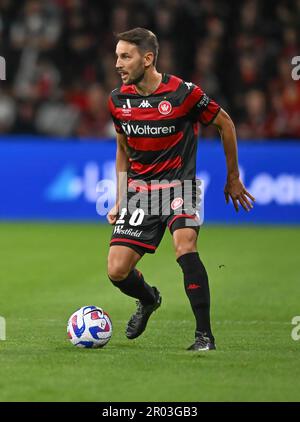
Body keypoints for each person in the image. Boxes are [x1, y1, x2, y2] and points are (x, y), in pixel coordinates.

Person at [107, 27, 255, 351]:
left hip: (179, 185)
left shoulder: (183, 93)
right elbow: (122, 150)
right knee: (116, 270)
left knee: (184, 245)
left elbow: (225, 123)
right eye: (117, 56)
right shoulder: (118, 100)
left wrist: (233, 177)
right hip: (140, 192)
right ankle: (148, 300)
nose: (118, 63)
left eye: (125, 56)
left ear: (148, 59)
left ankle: (204, 336)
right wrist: (120, 198)